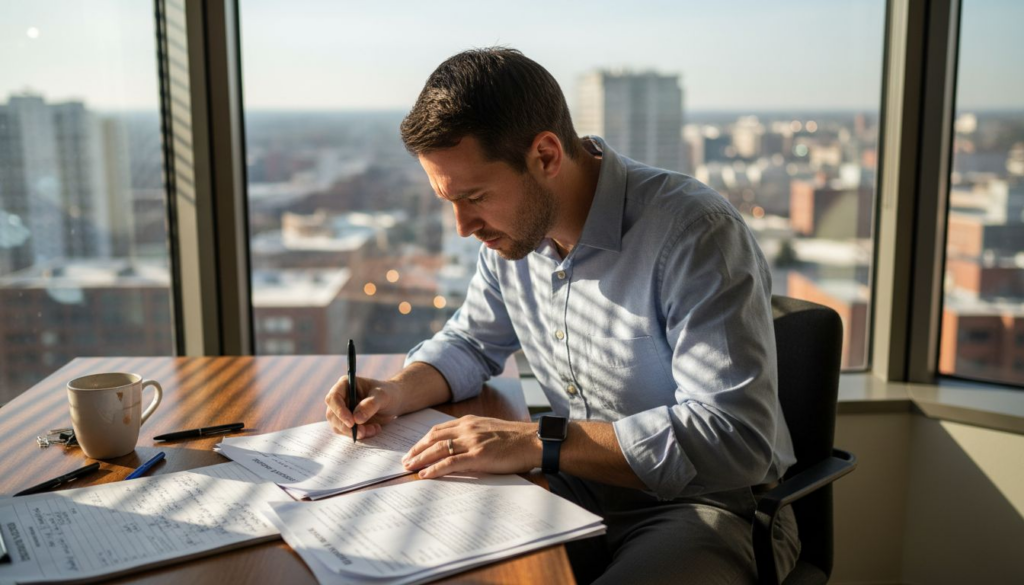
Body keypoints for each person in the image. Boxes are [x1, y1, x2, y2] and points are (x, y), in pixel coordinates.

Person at [324, 47, 800, 584]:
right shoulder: (513, 237)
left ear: (546, 156)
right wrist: (394, 391)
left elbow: (733, 437)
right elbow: (472, 343)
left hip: (703, 507)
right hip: (571, 490)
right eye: (449, 201)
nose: (462, 225)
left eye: (476, 196)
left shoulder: (695, 233)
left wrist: (537, 442)